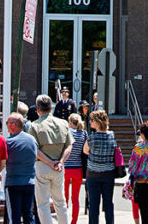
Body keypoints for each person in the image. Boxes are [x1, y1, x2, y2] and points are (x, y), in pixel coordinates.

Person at [29, 94, 73, 224]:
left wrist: (49, 162)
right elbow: (69, 146)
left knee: (42, 203)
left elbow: (34, 150)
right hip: (59, 166)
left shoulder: (34, 126)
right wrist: (60, 162)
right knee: (60, 201)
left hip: (43, 165)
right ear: (51, 108)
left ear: (37, 109)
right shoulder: (63, 123)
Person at [82, 110, 117, 224]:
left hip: (93, 172)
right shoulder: (111, 135)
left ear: (97, 122)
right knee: (108, 203)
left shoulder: (92, 137)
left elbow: (85, 150)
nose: (90, 122)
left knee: (94, 204)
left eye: (92, 120)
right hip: (108, 172)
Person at [5, 113, 38, 224]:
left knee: (14, 216)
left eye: (7, 123)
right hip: (30, 182)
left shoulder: (9, 142)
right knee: (28, 214)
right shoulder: (32, 140)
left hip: (13, 183)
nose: (6, 125)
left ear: (13, 125)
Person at [63, 114, 88, 224]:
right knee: (75, 198)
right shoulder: (84, 134)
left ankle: (64, 220)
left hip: (66, 167)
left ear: (70, 122)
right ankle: (74, 221)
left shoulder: (67, 133)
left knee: (64, 197)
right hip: (78, 168)